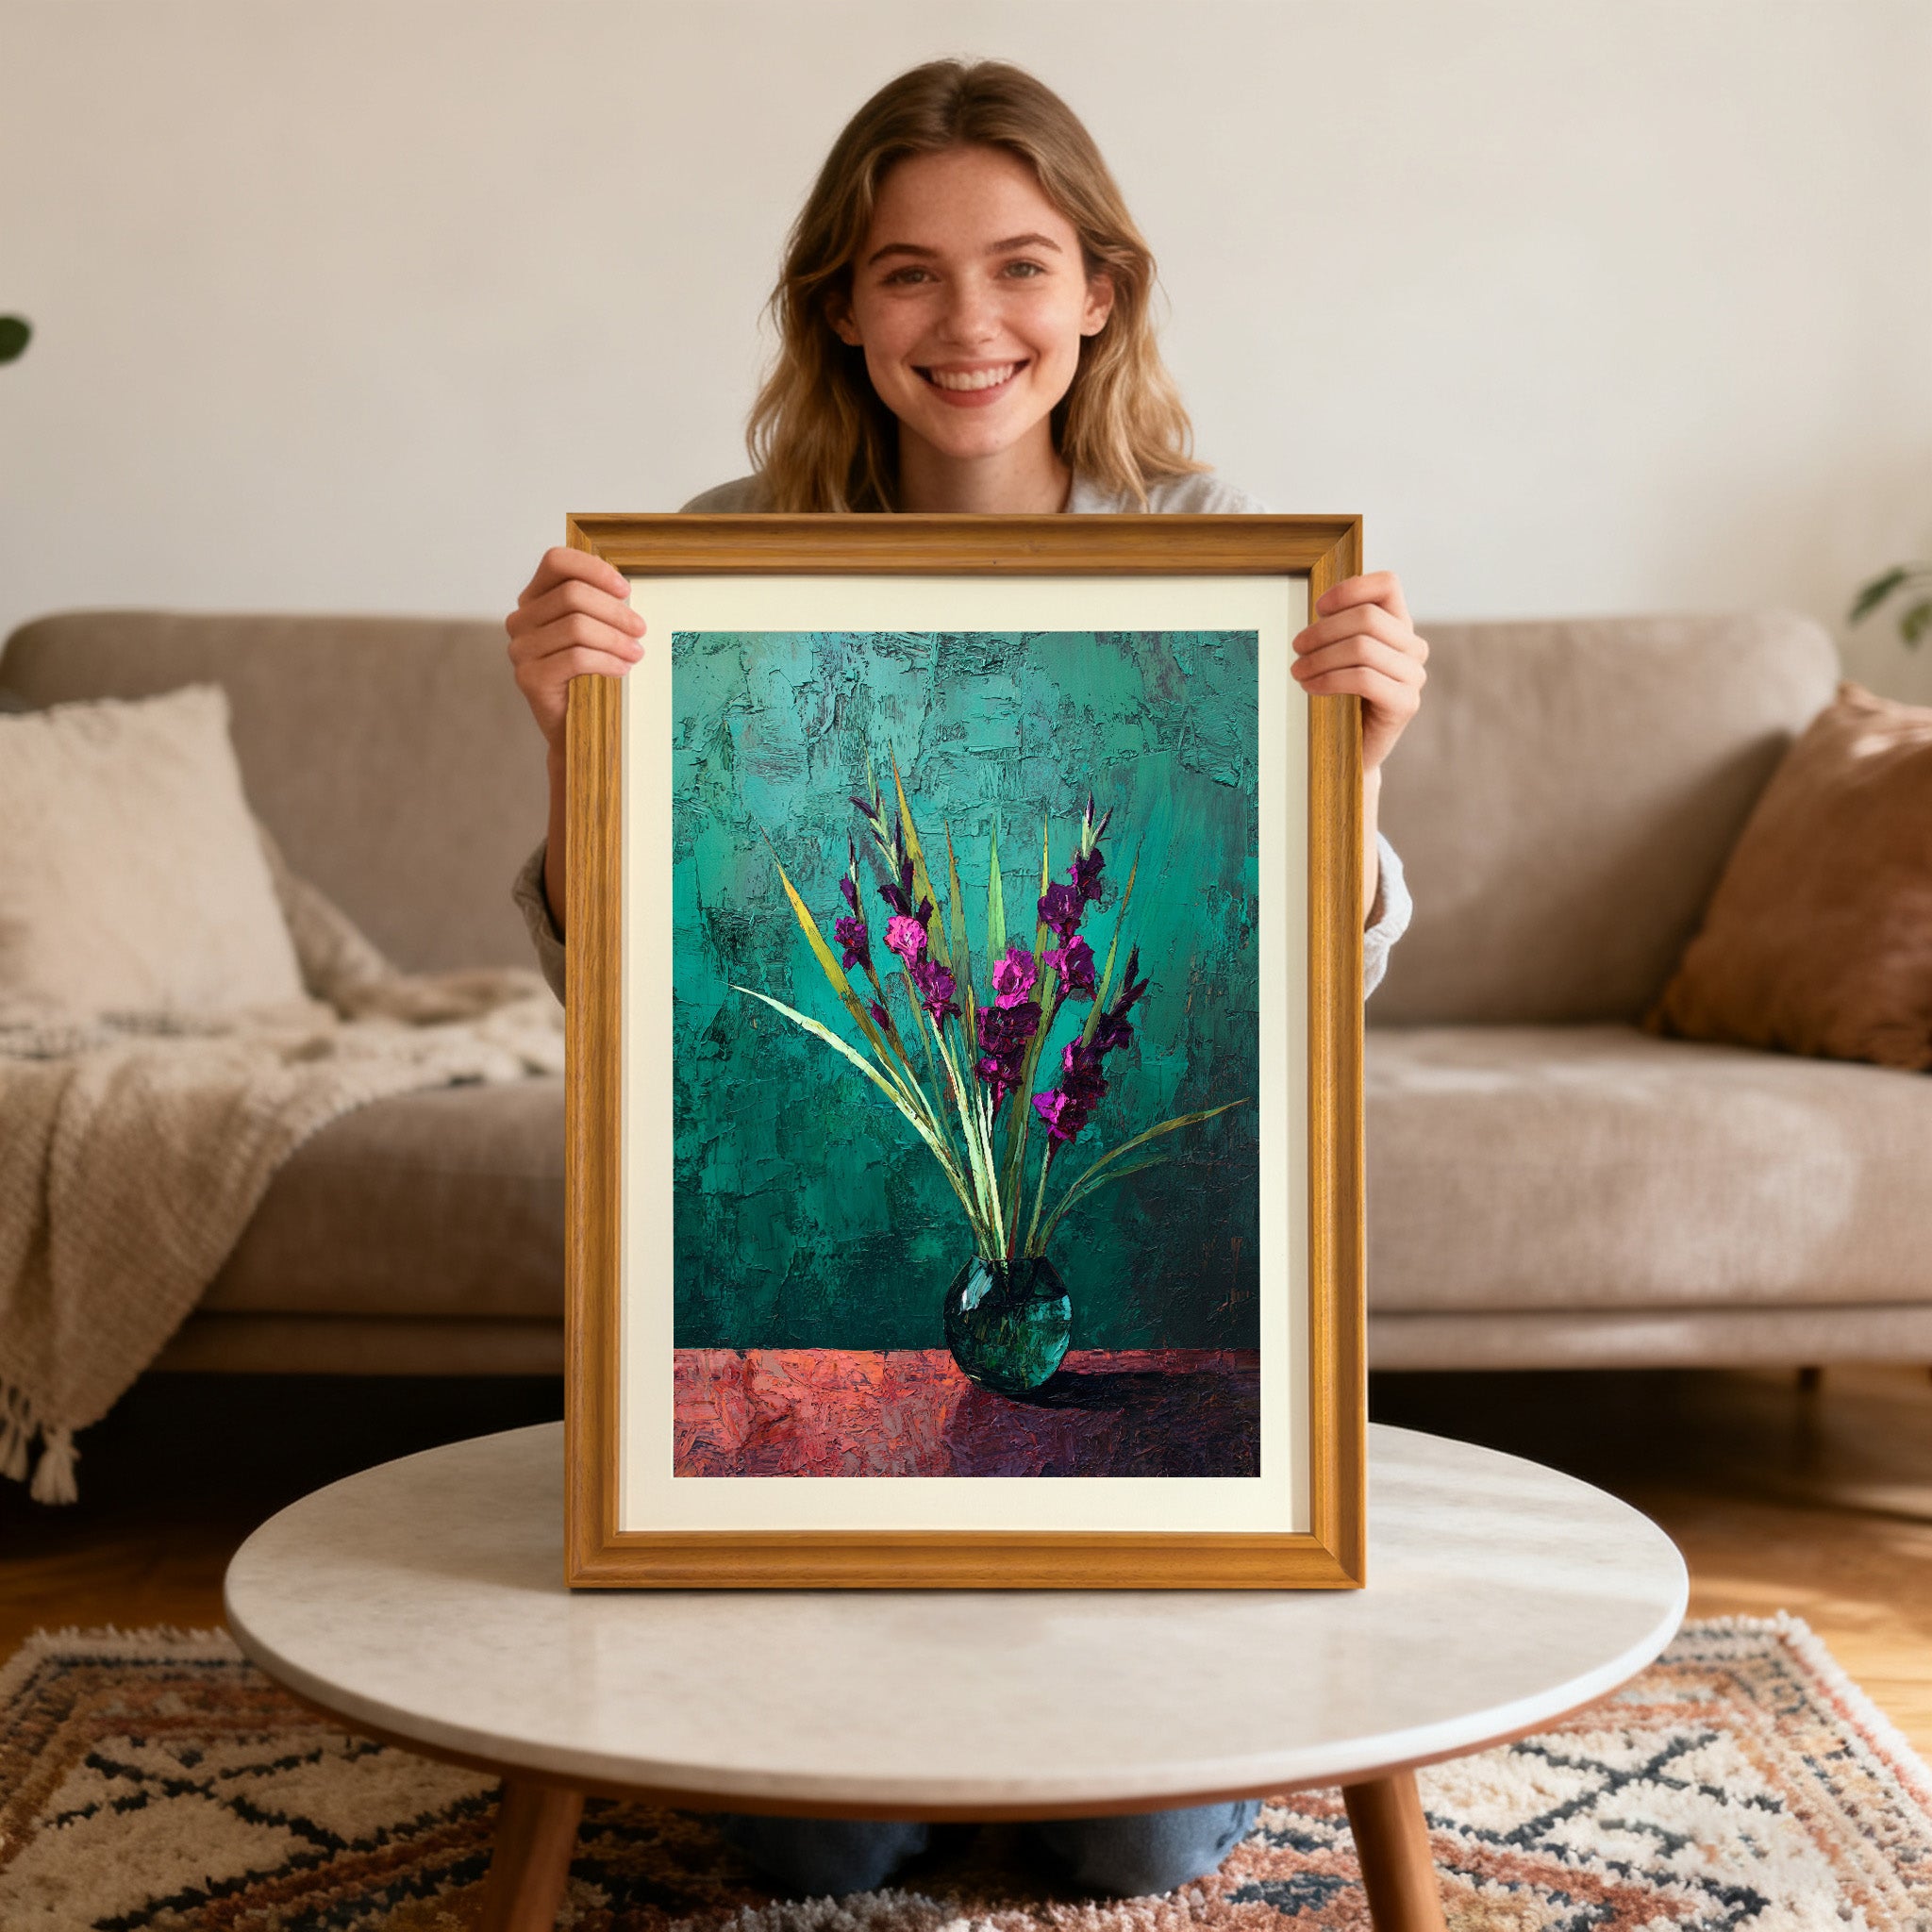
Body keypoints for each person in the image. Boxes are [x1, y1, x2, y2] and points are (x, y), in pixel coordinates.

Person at [504, 58, 1425, 1902]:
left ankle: (1129, 1674)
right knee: (811, 1842)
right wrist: (567, 739)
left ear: (1099, 289)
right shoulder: (723, 558)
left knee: (1116, 1848)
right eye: (906, 271)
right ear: (840, 306)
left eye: (1018, 264)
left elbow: (1296, 993)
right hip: (827, 1302)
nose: (967, 320)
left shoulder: (1214, 554)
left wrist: (1364, 769)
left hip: (1130, 1296)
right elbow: (631, 994)